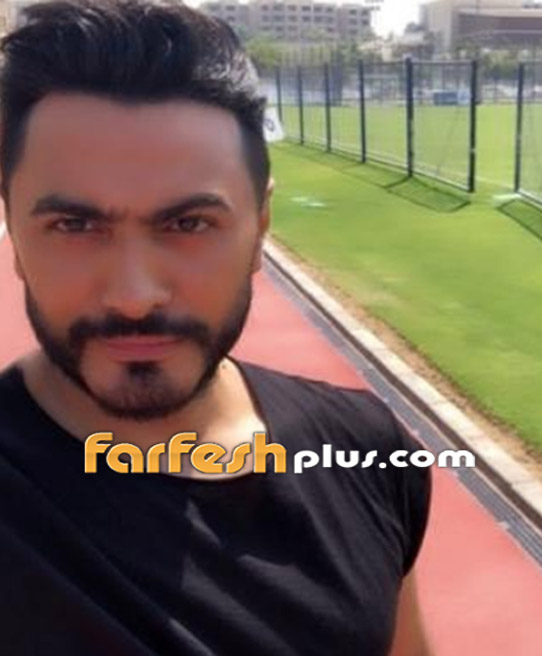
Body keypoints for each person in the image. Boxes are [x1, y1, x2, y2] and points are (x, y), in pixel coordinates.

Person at [0, 1, 433, 654]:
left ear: (260, 229)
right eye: (75, 225)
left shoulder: (368, 449)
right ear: (13, 230)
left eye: (188, 224)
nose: (135, 297)